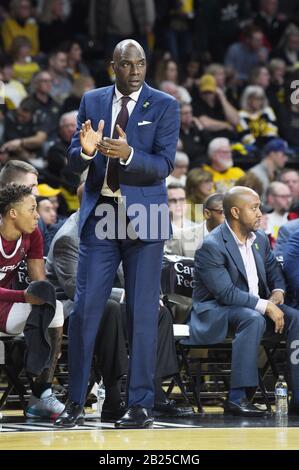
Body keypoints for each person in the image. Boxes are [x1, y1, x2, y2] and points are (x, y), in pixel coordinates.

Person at [54, 39, 180, 429]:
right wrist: (88, 152)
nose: (136, 70)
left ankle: (140, 404)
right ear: (114, 66)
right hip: (101, 213)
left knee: (141, 314)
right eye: (128, 64)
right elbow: (72, 163)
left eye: (141, 63)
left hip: (147, 216)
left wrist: (126, 155)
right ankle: (74, 401)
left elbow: (164, 165)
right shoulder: (91, 101)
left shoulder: (165, 104)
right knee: (86, 311)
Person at [184, 186, 299, 416]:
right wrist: (266, 305)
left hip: (253, 308)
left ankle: (297, 396)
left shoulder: (260, 240)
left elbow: (275, 271)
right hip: (215, 311)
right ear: (235, 212)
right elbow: (226, 293)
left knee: (295, 317)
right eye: (254, 208)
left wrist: (278, 293)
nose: (260, 214)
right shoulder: (212, 246)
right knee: (252, 318)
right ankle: (237, 398)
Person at [0, 183, 65, 419]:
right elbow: (24, 294)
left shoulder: (33, 234)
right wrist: (22, 296)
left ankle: (41, 394)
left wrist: (42, 301)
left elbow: (39, 281)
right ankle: (33, 363)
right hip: (9, 301)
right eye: (32, 209)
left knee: (54, 307)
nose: (37, 215)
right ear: (13, 213)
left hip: (6, 308)